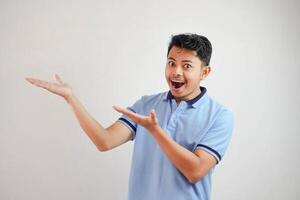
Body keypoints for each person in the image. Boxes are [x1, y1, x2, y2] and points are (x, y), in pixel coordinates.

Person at [26, 33, 233, 200]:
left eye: (186, 66)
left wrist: (155, 131)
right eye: (171, 63)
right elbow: (104, 141)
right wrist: (71, 98)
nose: (176, 72)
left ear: (204, 72)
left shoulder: (220, 116)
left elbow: (195, 171)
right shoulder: (146, 104)